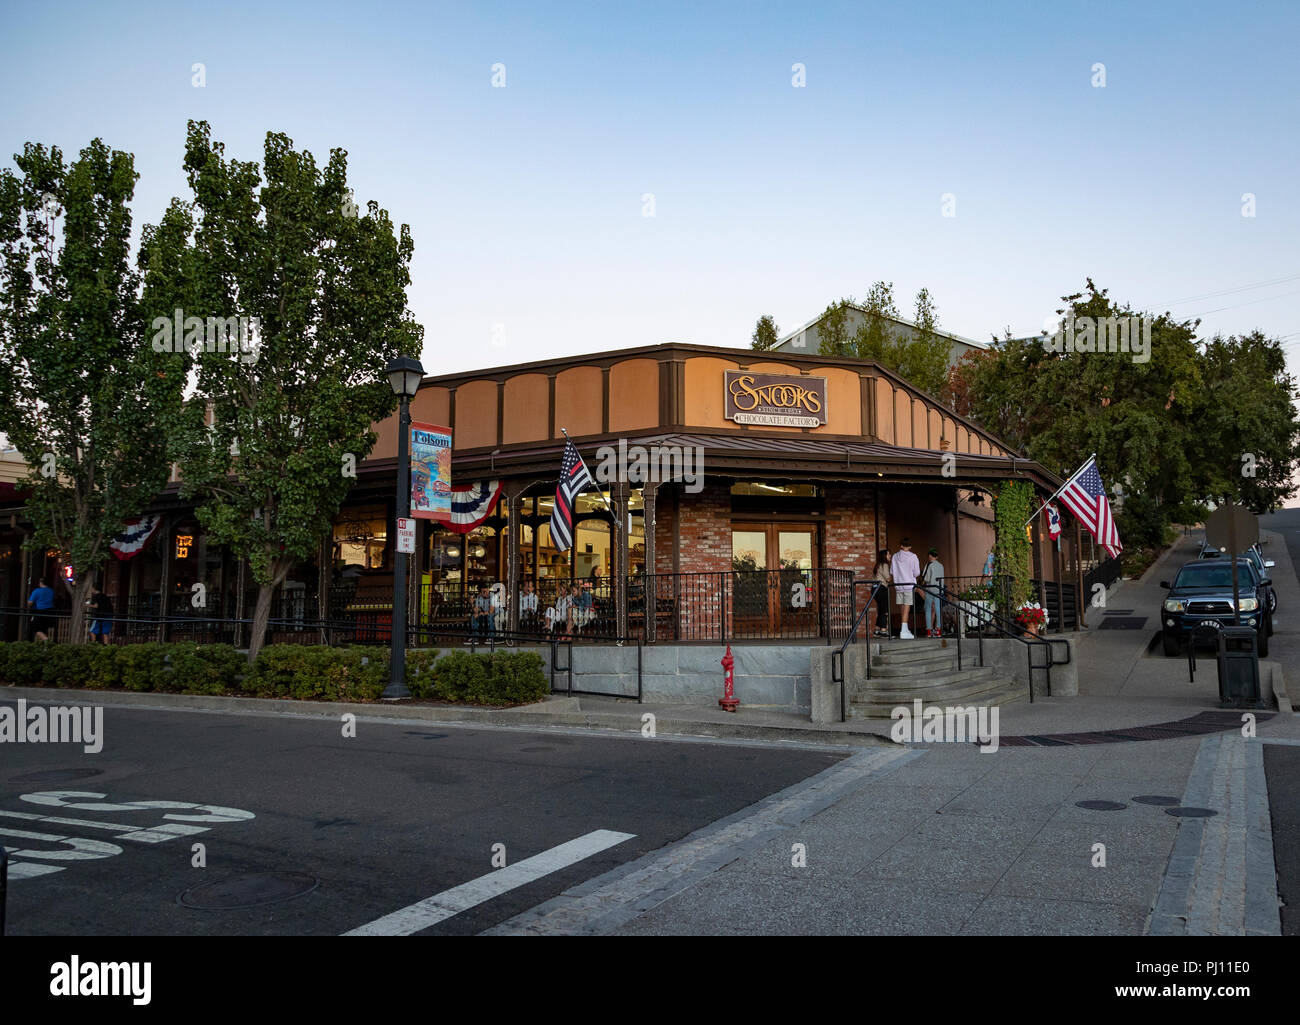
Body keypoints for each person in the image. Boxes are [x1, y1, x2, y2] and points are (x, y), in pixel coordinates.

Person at [890, 538, 920, 639]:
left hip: (898, 585)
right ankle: (903, 631)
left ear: (901, 545)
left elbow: (892, 572)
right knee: (907, 608)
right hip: (909, 585)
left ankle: (905, 628)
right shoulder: (913, 556)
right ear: (910, 546)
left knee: (902, 607)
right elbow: (916, 573)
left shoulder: (894, 556)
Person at [921, 548, 945, 637]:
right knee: (938, 609)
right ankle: (938, 631)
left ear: (930, 556)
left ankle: (929, 631)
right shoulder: (941, 566)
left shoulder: (929, 565)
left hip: (930, 589)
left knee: (928, 609)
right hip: (938, 589)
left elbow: (926, 578)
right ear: (937, 556)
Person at [870, 549, 892, 637]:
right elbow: (888, 578)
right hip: (882, 588)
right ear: (884, 556)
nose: (890, 556)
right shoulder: (884, 565)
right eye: (889, 554)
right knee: (884, 610)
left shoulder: (877, 565)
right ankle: (883, 630)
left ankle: (877, 630)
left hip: (874, 589)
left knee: (881, 609)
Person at [27, 577, 56, 642]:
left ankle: (47, 641)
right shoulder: (51, 591)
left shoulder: (37, 591)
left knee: (36, 629)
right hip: (50, 612)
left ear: (41, 582)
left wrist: (29, 607)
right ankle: (45, 646)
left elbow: (30, 602)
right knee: (44, 629)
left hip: (40, 612)